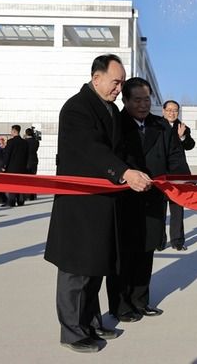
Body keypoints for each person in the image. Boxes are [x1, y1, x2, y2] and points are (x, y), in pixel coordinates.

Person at [44, 54, 152, 353]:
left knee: (95, 267)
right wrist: (124, 172)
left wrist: (139, 172)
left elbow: (121, 150)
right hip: (80, 205)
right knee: (76, 270)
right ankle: (72, 331)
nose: (119, 88)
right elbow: (92, 150)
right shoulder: (77, 108)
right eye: (116, 82)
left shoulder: (111, 110)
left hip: (103, 203)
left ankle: (90, 322)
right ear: (97, 78)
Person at [106, 78, 185, 323]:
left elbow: (175, 157)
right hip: (123, 198)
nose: (143, 105)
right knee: (123, 254)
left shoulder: (161, 126)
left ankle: (141, 301)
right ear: (125, 100)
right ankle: (120, 305)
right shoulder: (115, 124)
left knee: (146, 250)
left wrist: (181, 182)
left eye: (147, 100)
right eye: (137, 100)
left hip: (153, 198)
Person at [161, 100, 195, 250]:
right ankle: (159, 242)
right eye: (169, 110)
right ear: (163, 111)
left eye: (175, 110)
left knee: (177, 209)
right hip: (161, 173)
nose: (171, 113)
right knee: (159, 210)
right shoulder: (155, 126)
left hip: (178, 174)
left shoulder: (182, 127)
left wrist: (182, 137)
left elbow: (190, 145)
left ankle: (178, 241)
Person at [2, 124, 29, 207]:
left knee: (12, 184)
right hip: (22, 167)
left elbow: (7, 155)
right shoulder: (25, 142)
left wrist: (4, 165)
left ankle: (11, 201)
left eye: (11, 131)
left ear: (14, 131)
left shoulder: (10, 142)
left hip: (12, 167)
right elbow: (27, 155)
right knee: (20, 183)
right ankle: (21, 200)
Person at [24, 127, 40, 200]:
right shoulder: (36, 141)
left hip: (27, 160)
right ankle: (33, 195)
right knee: (33, 177)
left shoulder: (25, 142)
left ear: (26, 133)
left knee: (27, 178)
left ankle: (27, 195)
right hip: (34, 160)